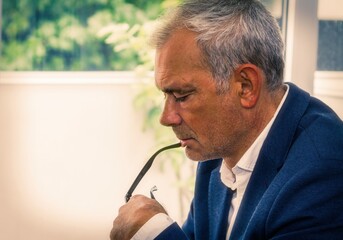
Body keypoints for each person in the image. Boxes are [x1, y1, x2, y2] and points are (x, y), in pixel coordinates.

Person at [110, 0, 343, 239]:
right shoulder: (221, 146)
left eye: (182, 95)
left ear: (246, 86)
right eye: (165, 94)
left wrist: (154, 233)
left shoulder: (324, 173)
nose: (165, 118)